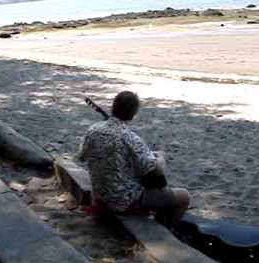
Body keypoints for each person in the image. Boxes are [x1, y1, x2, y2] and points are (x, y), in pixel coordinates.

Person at [78, 91, 190, 225]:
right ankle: (166, 229)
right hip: (123, 201)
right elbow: (157, 170)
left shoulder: (92, 130)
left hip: (100, 196)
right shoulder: (131, 138)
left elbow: (82, 157)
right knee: (184, 196)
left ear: (113, 107)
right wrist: (160, 157)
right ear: (133, 114)